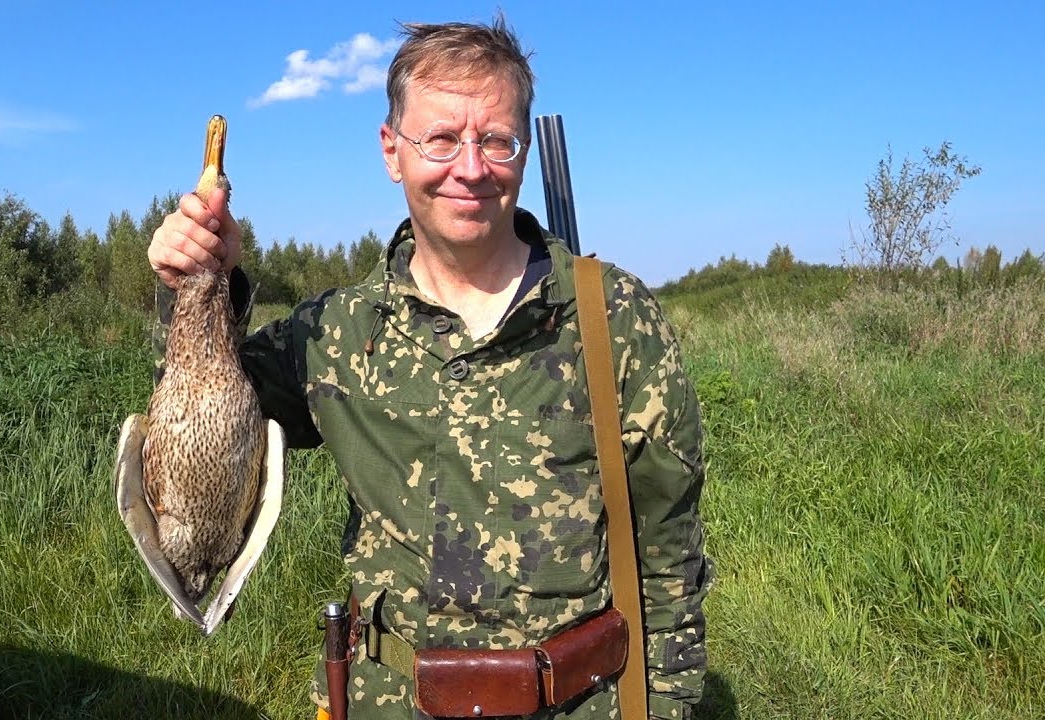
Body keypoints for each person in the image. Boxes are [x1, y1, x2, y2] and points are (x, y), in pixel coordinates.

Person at [147, 16, 712, 720]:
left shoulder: (614, 320)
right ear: (393, 150)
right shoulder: (335, 333)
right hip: (390, 703)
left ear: (525, 150)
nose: (470, 167)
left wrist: (671, 704)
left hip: (581, 704)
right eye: (441, 138)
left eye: (495, 139)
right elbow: (197, 417)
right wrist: (202, 284)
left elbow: (668, 556)